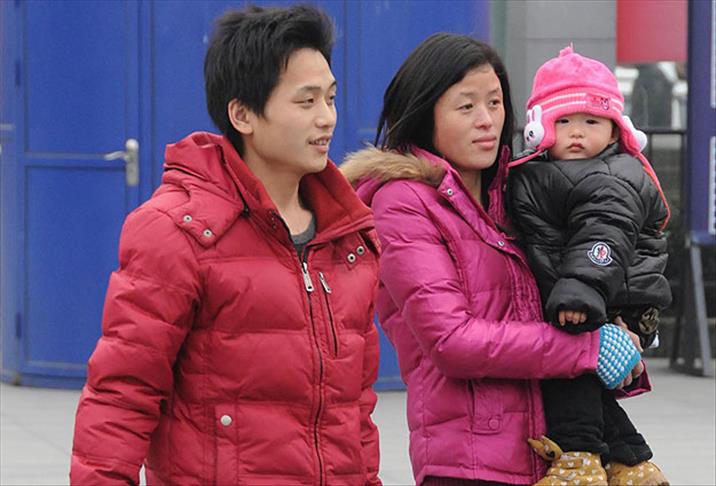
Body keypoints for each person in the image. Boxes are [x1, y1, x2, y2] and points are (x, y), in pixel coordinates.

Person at [70, 5, 381, 485]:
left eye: (331, 98)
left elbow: (354, 410)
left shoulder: (347, 238)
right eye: (306, 102)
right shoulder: (176, 232)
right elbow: (122, 393)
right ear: (243, 114)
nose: (327, 118)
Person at [341, 34, 645, 486]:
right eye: (466, 107)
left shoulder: (520, 191)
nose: (486, 120)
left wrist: (620, 334)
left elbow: (567, 292)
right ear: (425, 113)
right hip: (469, 464)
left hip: (556, 455)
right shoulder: (402, 203)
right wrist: (586, 350)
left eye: (495, 103)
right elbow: (452, 341)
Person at [507, 46, 671, 485]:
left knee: (568, 370)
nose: (577, 132)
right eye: (564, 122)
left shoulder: (611, 175)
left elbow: (604, 237)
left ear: (616, 129)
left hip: (605, 297)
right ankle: (632, 463)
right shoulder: (551, 172)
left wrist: (580, 291)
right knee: (585, 380)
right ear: (540, 127)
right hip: (595, 294)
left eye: (592, 122)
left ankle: (578, 460)